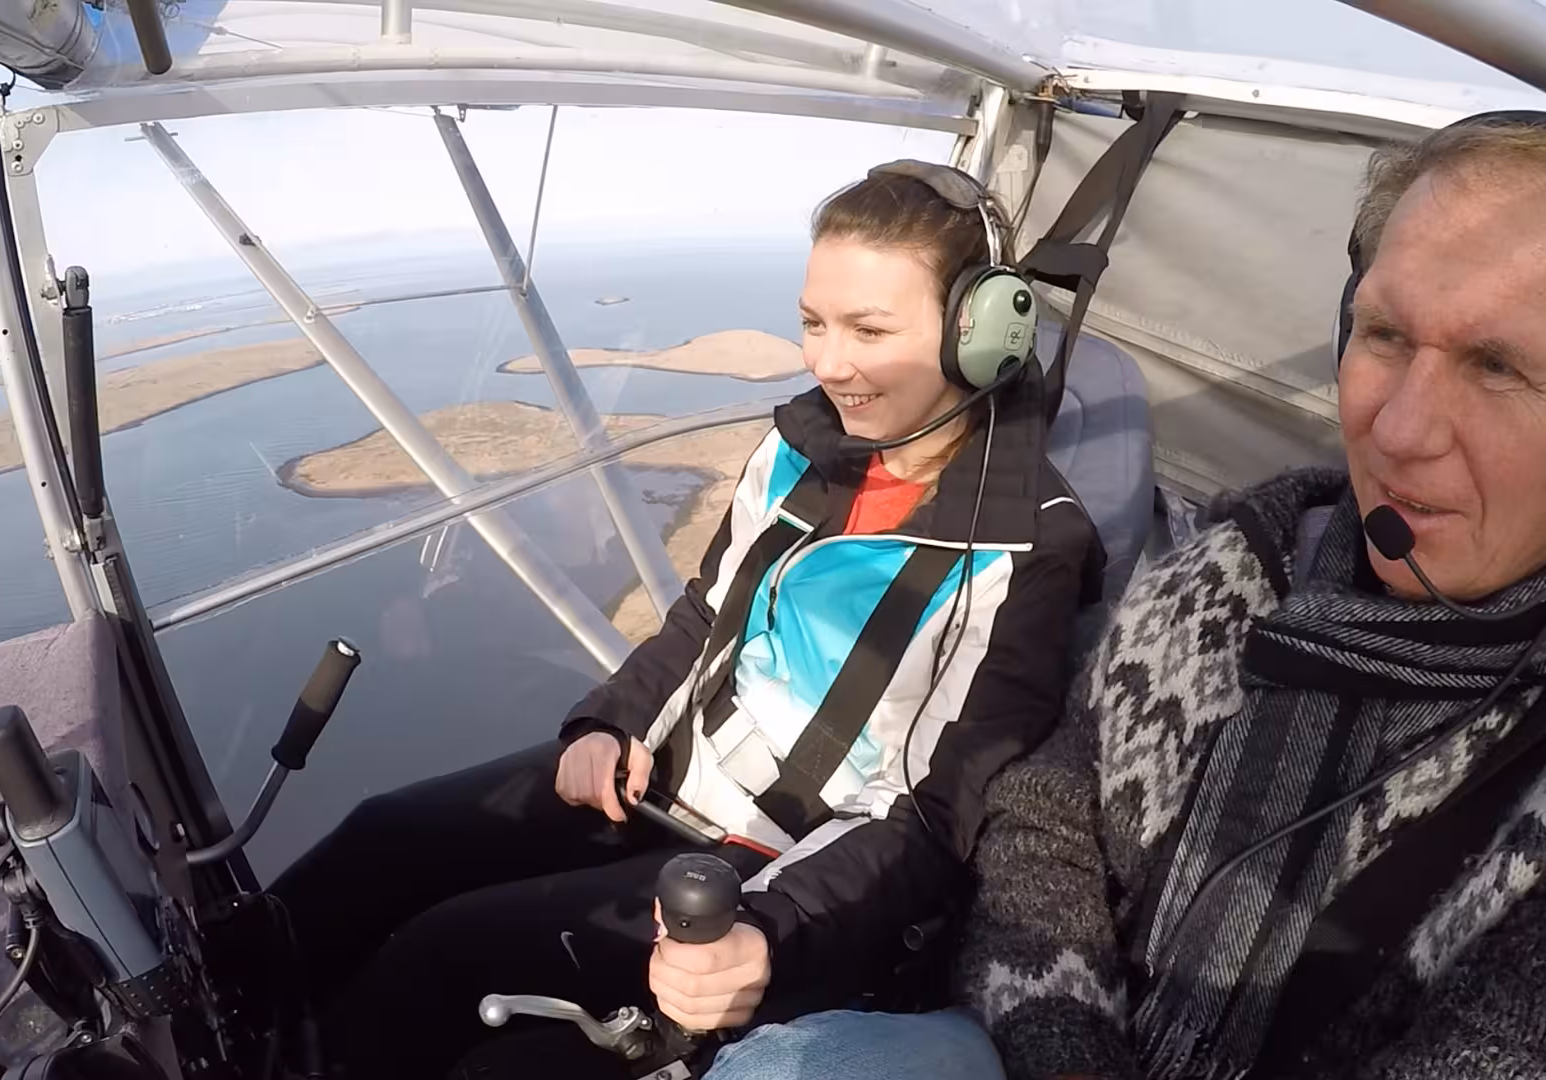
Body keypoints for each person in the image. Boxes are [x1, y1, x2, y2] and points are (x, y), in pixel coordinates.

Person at [703, 114, 1546, 1080]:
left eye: (1496, 365)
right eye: (1384, 339)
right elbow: (1047, 816)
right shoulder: (1238, 566)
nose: (1402, 432)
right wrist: (1069, 1051)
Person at [266, 160, 1105, 1077]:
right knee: (384, 837)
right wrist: (611, 719)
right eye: (814, 323)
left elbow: (939, 815)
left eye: (870, 329)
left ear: (978, 335)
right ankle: (204, 1016)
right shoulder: (799, 452)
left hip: (787, 866)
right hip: (669, 775)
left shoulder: (1025, 549)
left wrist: (770, 933)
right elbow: (706, 615)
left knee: (441, 957)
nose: (829, 362)